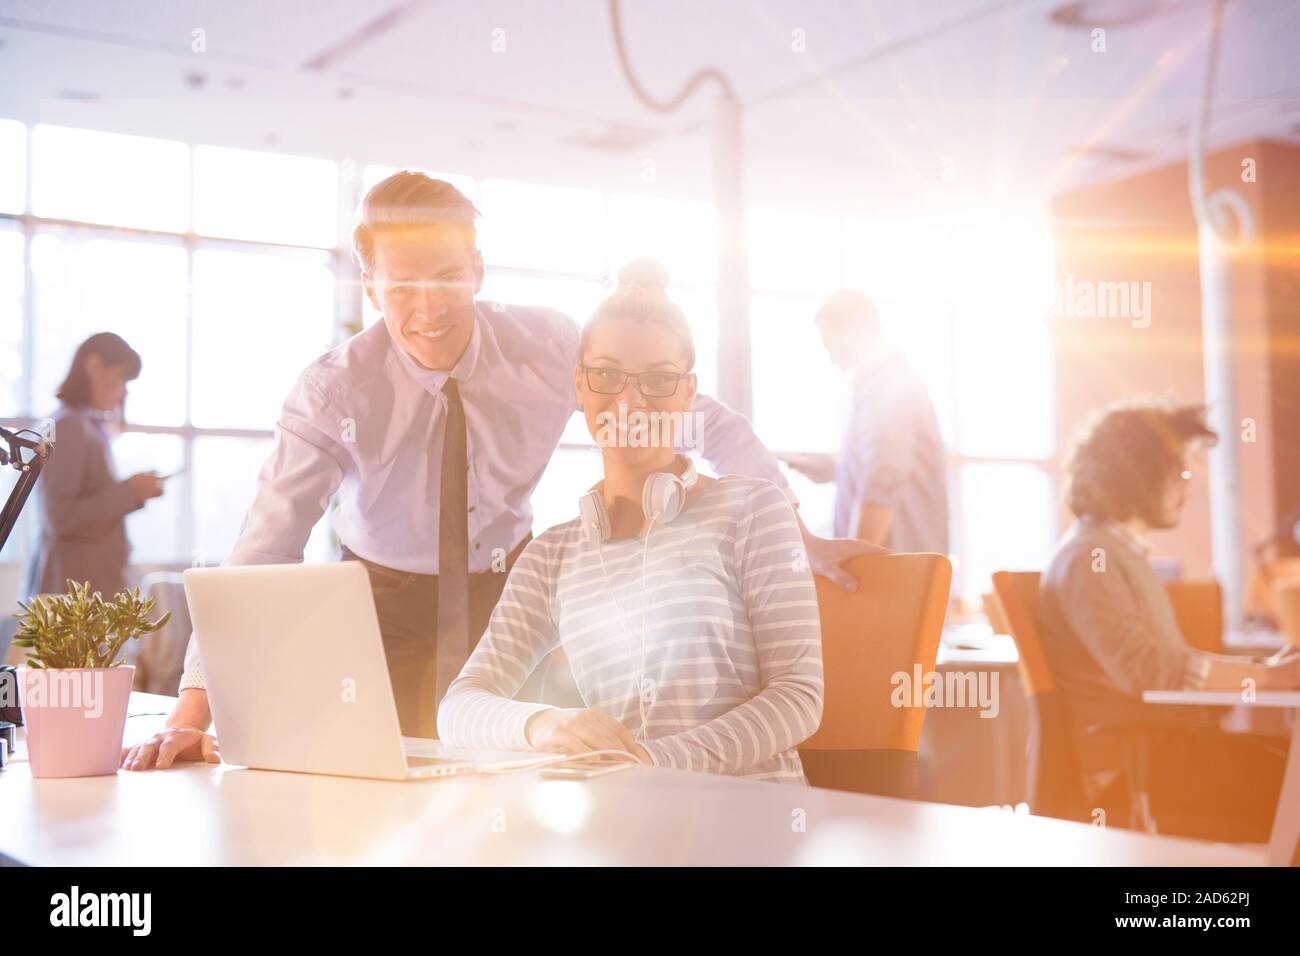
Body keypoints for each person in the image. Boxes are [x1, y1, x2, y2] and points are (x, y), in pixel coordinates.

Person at [121, 172, 867, 771]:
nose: (427, 309)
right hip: (382, 605)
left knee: (502, 784)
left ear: (477, 268)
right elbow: (263, 551)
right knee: (377, 787)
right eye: (402, 286)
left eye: (447, 278)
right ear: (369, 284)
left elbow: (702, 420)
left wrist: (798, 534)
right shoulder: (334, 391)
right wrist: (191, 712)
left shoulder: (549, 349)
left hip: (506, 591)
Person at [437, 261, 824, 782]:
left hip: (752, 823)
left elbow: (799, 698)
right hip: (630, 820)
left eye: (659, 380)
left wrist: (654, 760)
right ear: (580, 385)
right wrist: (542, 725)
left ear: (688, 394)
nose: (629, 400)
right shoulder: (555, 554)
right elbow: (459, 708)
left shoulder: (753, 511)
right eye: (607, 374)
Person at [1038, 399, 1300, 841]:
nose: (1188, 487)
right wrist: (1271, 679)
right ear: (1136, 476)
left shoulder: (1114, 554)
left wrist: (1269, 673)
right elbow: (1148, 671)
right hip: (1135, 768)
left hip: (1160, 752)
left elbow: (1162, 664)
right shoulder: (1090, 559)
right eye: (1179, 473)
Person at [782, 290, 948, 554]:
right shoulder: (883, 385)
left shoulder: (887, 386)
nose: (832, 359)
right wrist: (841, 469)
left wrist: (853, 562)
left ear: (858, 332)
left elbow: (883, 480)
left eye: (832, 347)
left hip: (893, 571)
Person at [22, 332, 164, 603]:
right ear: (95, 366)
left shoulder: (85, 425)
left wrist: (132, 494)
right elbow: (61, 516)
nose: (122, 391)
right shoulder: (68, 426)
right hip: (72, 595)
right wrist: (129, 492)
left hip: (85, 589)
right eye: (120, 377)